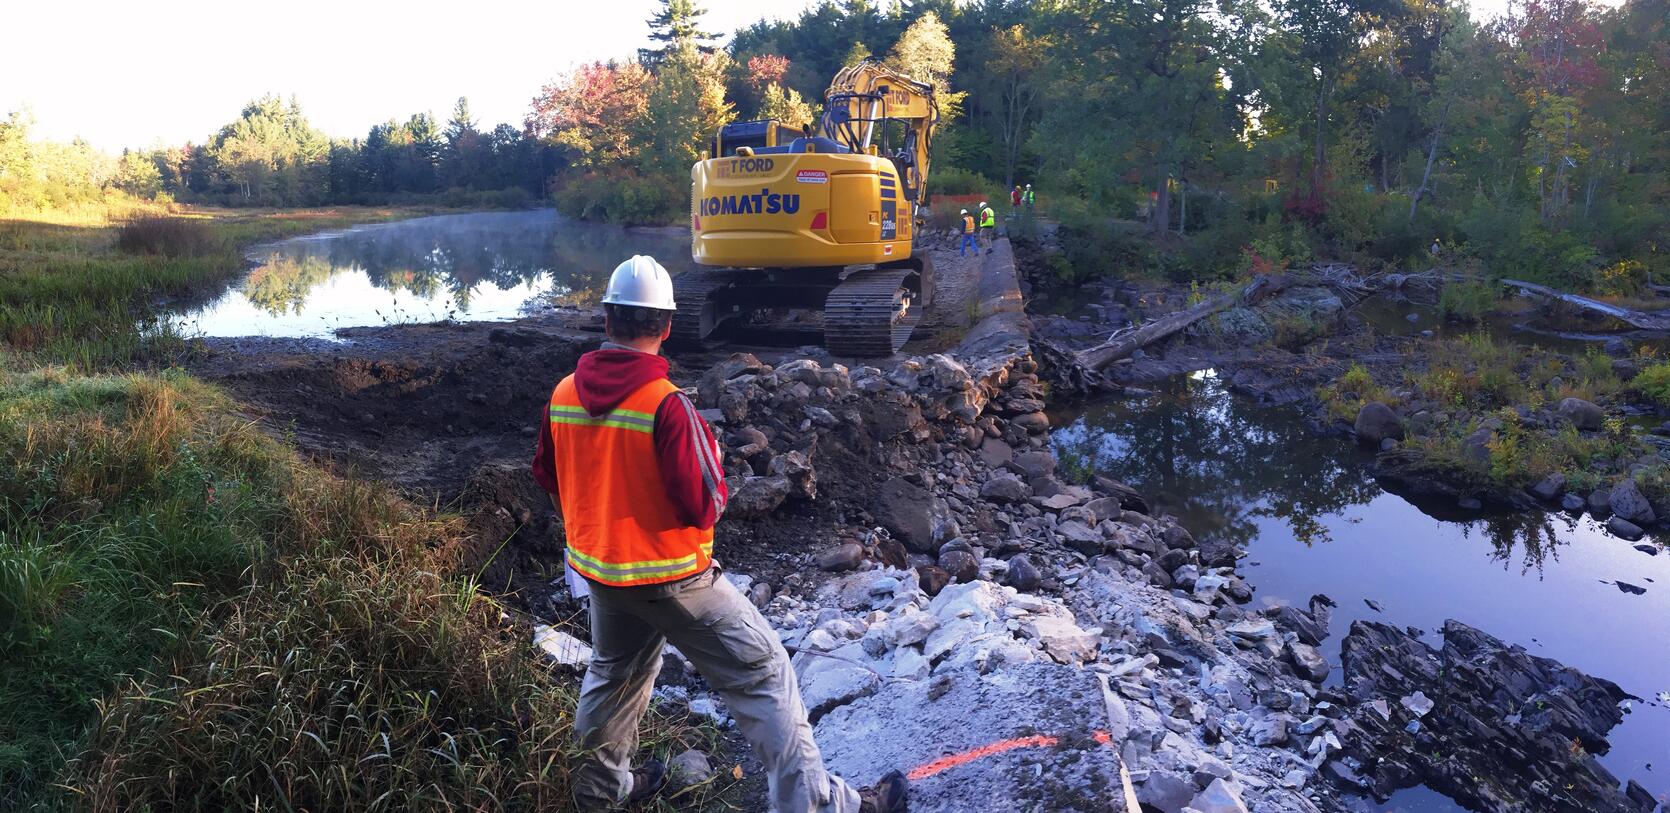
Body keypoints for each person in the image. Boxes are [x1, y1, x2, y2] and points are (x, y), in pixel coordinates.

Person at [533, 255, 909, 813]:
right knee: (765, 674)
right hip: (677, 581)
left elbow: (548, 473)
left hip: (603, 574)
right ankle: (823, 806)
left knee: (613, 675)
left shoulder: (564, 392)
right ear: (664, 326)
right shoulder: (668, 406)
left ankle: (599, 793)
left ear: (608, 318)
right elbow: (705, 504)